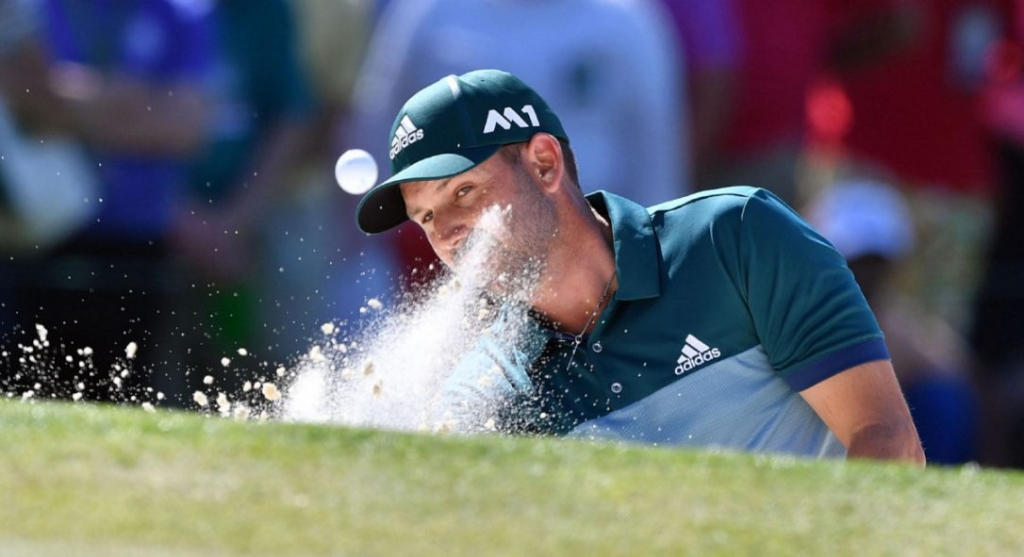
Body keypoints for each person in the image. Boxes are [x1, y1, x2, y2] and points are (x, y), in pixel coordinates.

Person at [352, 69, 925, 464]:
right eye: (425, 217)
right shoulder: (489, 386)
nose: (446, 234)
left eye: (465, 193)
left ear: (545, 164)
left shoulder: (736, 235)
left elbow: (888, 443)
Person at [346, 0, 687, 287]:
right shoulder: (427, 12)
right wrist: (361, 261)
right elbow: (377, 127)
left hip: (598, 256)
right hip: (460, 268)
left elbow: (655, 151)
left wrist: (650, 261)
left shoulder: (625, 17)